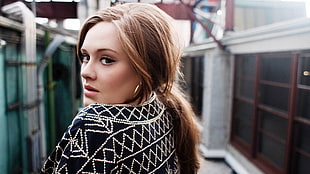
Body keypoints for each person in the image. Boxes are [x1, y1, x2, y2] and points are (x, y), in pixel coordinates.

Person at [41, 2, 200, 174]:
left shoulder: (98, 126)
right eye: (86, 56)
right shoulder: (163, 111)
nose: (85, 72)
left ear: (146, 69)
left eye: (107, 60)